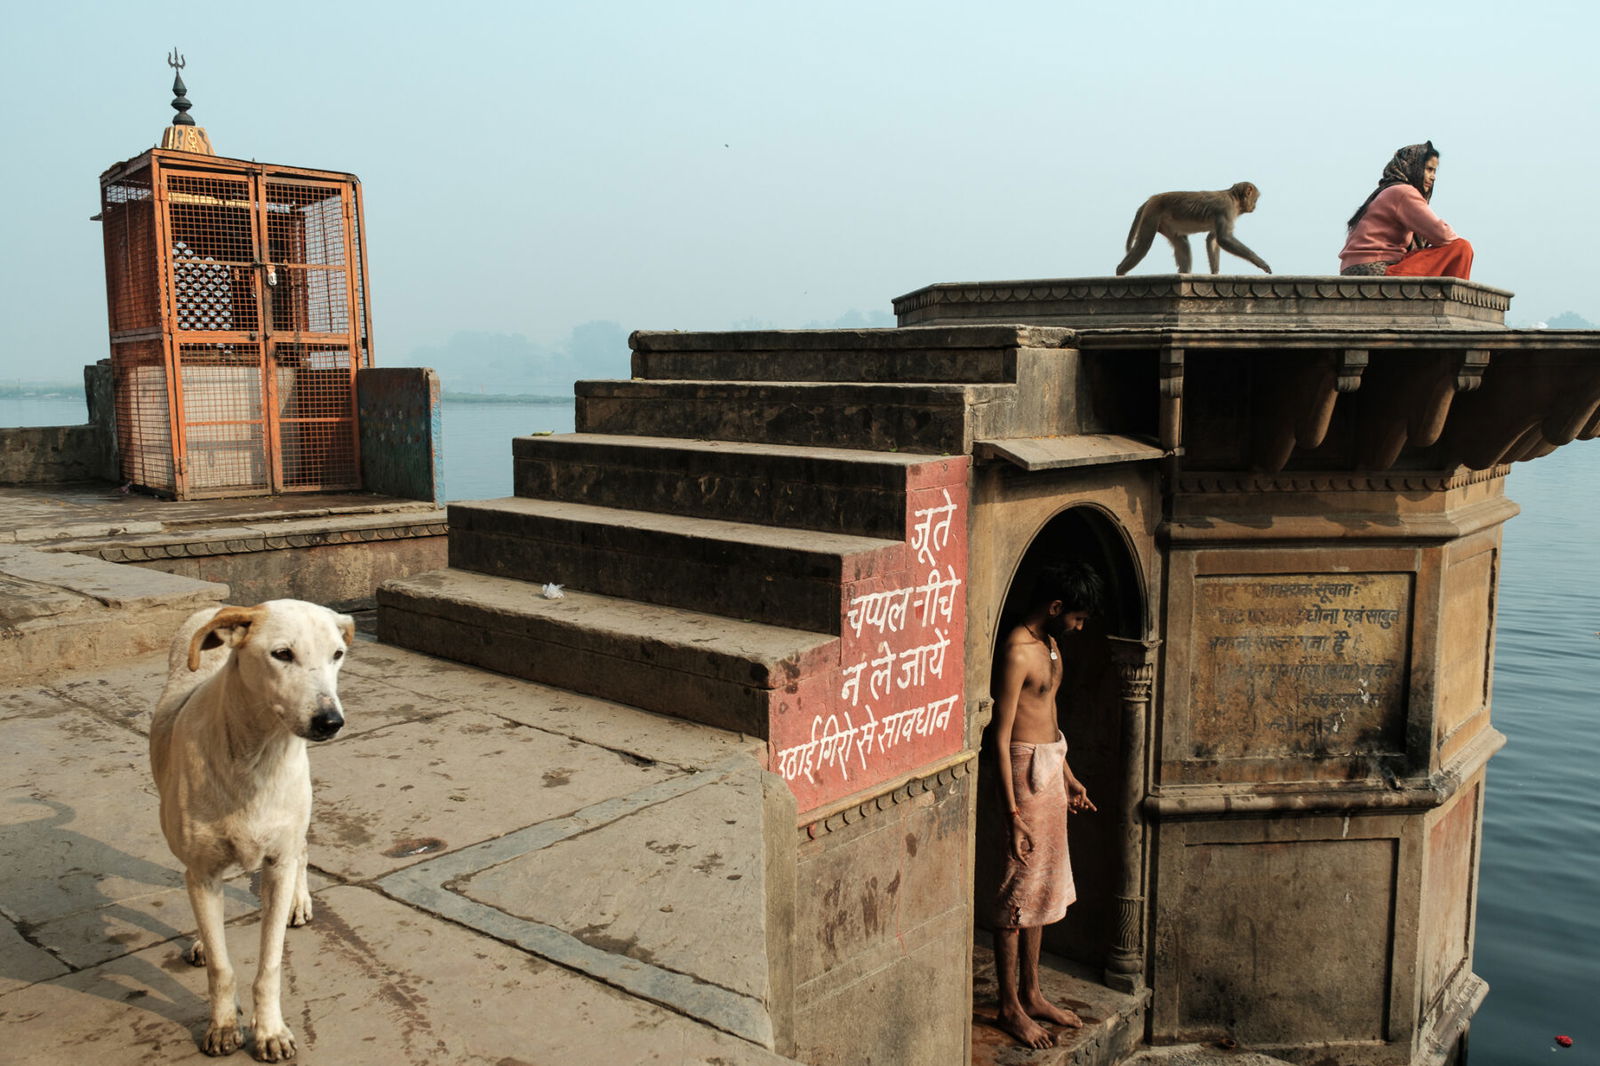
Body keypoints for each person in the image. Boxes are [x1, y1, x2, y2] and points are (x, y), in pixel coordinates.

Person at [986, 560, 1104, 1049]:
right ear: (1055, 607)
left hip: (1051, 767)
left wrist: (1069, 777)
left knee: (1043, 886)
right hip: (1021, 774)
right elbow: (1000, 734)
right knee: (1017, 888)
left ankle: (1033, 992)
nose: (1078, 627)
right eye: (1075, 617)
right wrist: (1012, 815)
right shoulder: (1018, 650)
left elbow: (1049, 719)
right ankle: (1009, 1006)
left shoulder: (1051, 645)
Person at [1339, 141, 1473, 278]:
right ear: (1412, 167)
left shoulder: (1387, 191)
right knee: (1461, 247)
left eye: (1434, 171)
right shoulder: (1403, 192)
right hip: (1375, 268)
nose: (1433, 177)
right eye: (1428, 169)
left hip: (1355, 267)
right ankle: (1449, 296)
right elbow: (1442, 235)